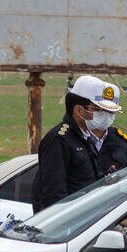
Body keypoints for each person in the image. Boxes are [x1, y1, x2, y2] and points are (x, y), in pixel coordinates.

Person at [30, 75, 109, 212]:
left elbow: (83, 181)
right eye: (96, 109)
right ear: (79, 110)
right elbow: (54, 194)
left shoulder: (85, 137)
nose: (101, 115)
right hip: (68, 224)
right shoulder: (59, 140)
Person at [87, 79, 127, 174]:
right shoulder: (75, 138)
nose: (105, 114)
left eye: (110, 110)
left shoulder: (120, 141)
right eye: (100, 109)